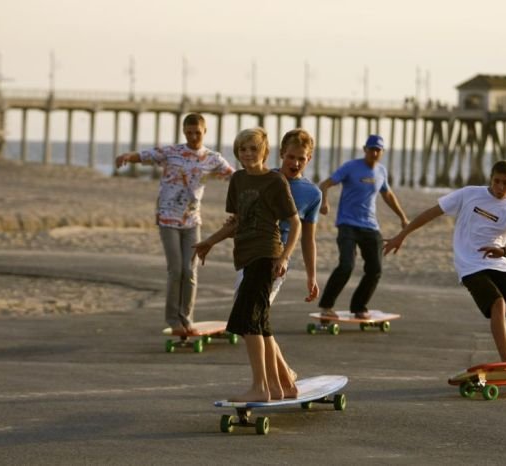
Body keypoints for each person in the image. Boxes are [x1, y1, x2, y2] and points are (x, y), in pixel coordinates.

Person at [194, 128, 321, 388]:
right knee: (257, 320)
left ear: (308, 160)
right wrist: (210, 240)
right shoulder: (256, 178)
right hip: (246, 256)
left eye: (301, 159)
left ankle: (269, 384)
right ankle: (284, 379)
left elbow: (307, 237)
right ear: (281, 154)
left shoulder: (311, 193)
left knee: (252, 319)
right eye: (291, 157)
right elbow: (239, 220)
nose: (295, 163)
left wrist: (310, 275)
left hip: (273, 260)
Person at [383, 160, 506, 362]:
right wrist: (401, 235)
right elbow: (431, 213)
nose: (500, 188)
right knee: (498, 304)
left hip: (500, 262)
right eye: (496, 181)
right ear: (490, 178)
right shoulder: (469, 194)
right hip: (470, 265)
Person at [114, 113, 234, 334]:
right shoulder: (172, 152)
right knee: (176, 269)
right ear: (184, 132)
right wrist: (126, 157)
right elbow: (146, 155)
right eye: (189, 132)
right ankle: (173, 319)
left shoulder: (212, 158)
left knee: (190, 271)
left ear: (204, 131)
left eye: (197, 132)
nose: (193, 136)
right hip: (168, 218)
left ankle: (186, 317)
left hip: (192, 221)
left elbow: (234, 176)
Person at [318, 134, 408, 319]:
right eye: (371, 149)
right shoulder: (351, 167)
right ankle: (326, 306)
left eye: (378, 150)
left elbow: (388, 195)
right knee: (346, 266)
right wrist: (324, 202)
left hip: (370, 226)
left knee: (375, 270)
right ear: (365, 149)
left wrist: (402, 217)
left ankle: (359, 307)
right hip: (347, 225)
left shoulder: (381, 172)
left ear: (382, 152)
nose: (374, 153)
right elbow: (325, 183)